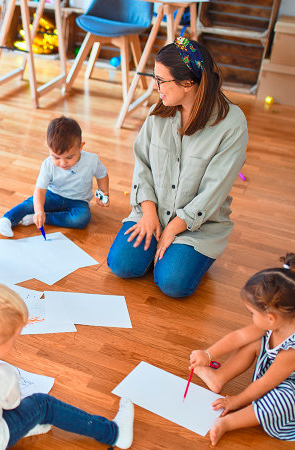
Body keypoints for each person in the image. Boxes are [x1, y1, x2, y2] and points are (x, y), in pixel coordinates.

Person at [106, 37, 248, 298]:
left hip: (198, 225)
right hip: (153, 211)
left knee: (173, 284)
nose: (155, 86)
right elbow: (143, 165)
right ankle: (159, 253)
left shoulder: (232, 125)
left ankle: (178, 256)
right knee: (121, 265)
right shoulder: (159, 112)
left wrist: (172, 229)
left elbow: (214, 191)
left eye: (161, 80)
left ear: (188, 82)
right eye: (155, 77)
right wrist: (149, 213)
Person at [0, 280, 135, 449]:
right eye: (16, 336)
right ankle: (114, 433)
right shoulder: (4, 376)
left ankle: (22, 427)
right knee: (43, 404)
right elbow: (10, 406)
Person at [189, 253, 295, 446]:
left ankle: (229, 423)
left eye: (252, 313)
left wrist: (236, 402)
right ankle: (219, 377)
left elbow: (264, 384)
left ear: (271, 318)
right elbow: (239, 337)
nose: (251, 318)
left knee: (280, 399)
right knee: (255, 340)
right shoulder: (278, 320)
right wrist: (208, 354)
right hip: (280, 374)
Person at [0, 116, 110, 238]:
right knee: (30, 204)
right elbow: (39, 191)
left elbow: (102, 174)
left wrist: (104, 192)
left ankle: (46, 217)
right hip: (52, 195)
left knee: (82, 219)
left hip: (78, 201)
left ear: (81, 147)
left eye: (69, 157)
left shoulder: (91, 160)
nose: (63, 163)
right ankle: (7, 219)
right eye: (56, 157)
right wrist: (39, 210)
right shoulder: (48, 164)